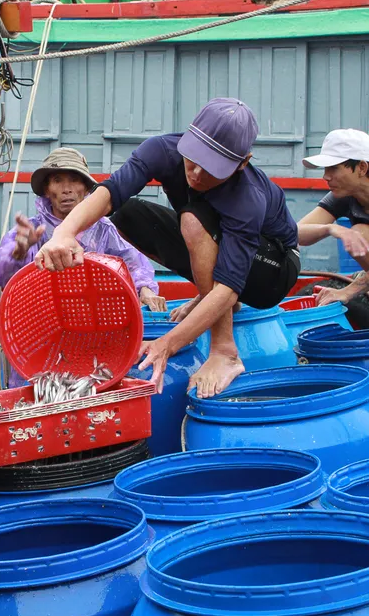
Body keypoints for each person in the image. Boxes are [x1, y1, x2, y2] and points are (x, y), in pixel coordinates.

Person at [36, 98, 299, 399]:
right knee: (128, 213)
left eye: (212, 168)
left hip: (274, 269)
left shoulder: (247, 198)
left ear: (242, 162)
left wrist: (167, 344)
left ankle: (225, 351)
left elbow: (228, 288)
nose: (197, 173)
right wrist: (64, 232)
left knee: (193, 220)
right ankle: (205, 297)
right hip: (226, 254)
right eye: (194, 159)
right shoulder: (162, 149)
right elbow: (110, 192)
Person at [0, 148, 164, 388]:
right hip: (41, 337)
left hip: (97, 334)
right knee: (38, 403)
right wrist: (19, 252)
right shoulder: (32, 230)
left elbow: (132, 262)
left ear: (85, 188)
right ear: (46, 190)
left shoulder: (103, 229)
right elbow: (3, 276)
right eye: (57, 180)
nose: (67, 189)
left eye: (74, 179)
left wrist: (145, 288)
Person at [297, 129, 369, 306]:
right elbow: (294, 233)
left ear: (361, 168)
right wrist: (331, 228)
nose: (325, 176)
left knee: (360, 231)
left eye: (333, 168)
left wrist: (348, 291)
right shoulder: (343, 195)